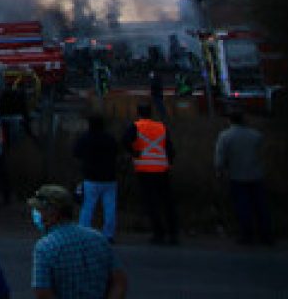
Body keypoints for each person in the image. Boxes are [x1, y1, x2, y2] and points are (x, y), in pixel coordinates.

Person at [29, 184, 127, 299]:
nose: (37, 214)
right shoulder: (98, 238)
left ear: (53, 213)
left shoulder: (45, 247)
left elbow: (42, 292)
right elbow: (120, 281)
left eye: (39, 210)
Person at [122, 103, 178, 244]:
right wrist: (168, 161)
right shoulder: (161, 127)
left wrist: (134, 153)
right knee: (167, 202)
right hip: (162, 168)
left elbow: (124, 141)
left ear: (138, 113)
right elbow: (169, 147)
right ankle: (173, 232)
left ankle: (158, 233)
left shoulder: (136, 126)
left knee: (151, 203)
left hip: (144, 168)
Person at [214, 110, 273, 244]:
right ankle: (266, 234)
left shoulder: (225, 136)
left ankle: (247, 235)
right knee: (261, 206)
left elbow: (219, 158)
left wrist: (219, 171)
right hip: (256, 174)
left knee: (243, 206)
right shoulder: (256, 135)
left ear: (230, 121)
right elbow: (262, 153)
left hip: (237, 175)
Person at [72, 115, 119, 242]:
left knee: (88, 206)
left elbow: (76, 153)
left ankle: (83, 232)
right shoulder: (110, 139)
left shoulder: (86, 138)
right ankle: (108, 234)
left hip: (91, 177)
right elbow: (117, 152)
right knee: (110, 207)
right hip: (109, 177)